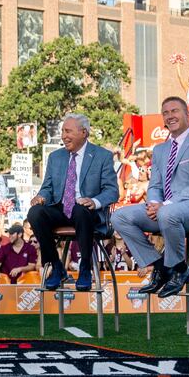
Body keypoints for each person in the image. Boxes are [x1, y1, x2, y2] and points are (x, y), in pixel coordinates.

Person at [112, 97, 189, 298]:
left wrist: (165, 204)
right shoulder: (160, 149)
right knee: (119, 217)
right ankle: (164, 267)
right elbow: (155, 185)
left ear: (187, 113)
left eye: (175, 111)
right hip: (167, 211)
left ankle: (177, 268)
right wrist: (155, 203)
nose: (170, 116)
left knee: (168, 212)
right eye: (165, 113)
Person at [28, 113, 118, 292]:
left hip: (87, 212)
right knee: (35, 213)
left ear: (84, 132)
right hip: (60, 209)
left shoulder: (102, 156)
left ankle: (85, 268)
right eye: (62, 131)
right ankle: (56, 266)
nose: (63, 136)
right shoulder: (56, 157)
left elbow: (112, 191)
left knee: (81, 209)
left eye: (68, 131)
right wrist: (41, 196)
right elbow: (47, 187)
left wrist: (94, 201)